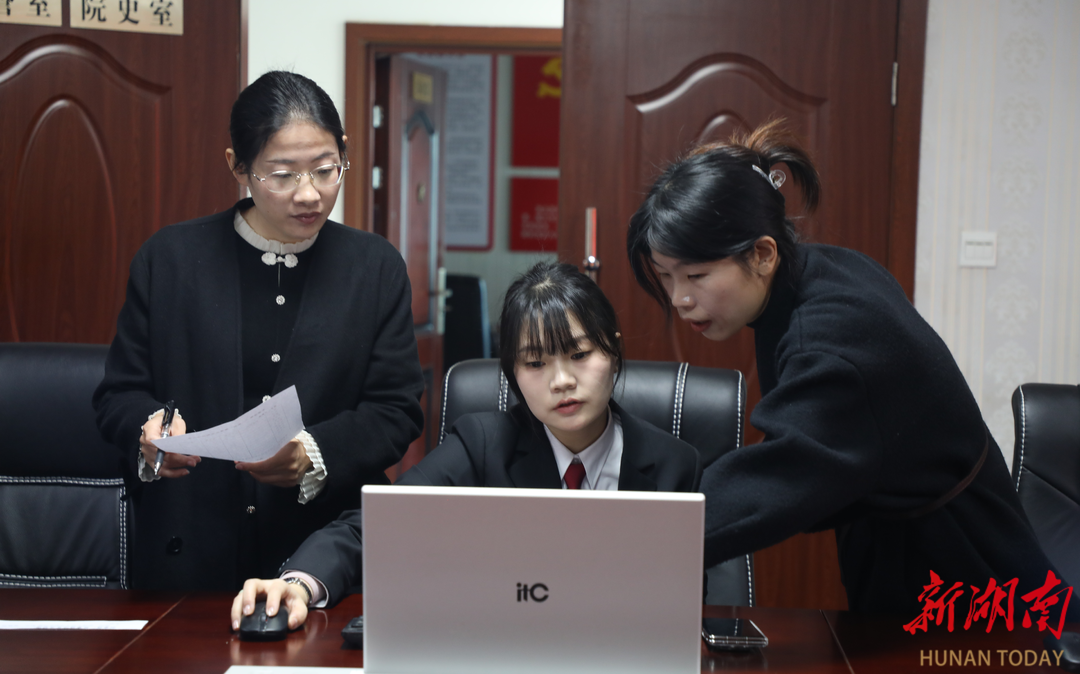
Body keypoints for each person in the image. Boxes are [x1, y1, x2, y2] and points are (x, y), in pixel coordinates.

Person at [625, 120, 1069, 616]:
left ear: (763, 254)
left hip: (962, 574)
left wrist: (635, 543)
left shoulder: (832, 342)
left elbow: (778, 477)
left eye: (696, 275)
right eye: (667, 277)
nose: (680, 299)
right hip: (913, 545)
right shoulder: (820, 270)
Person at [229, 261, 702, 631]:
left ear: (613, 351)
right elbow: (376, 525)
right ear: (512, 374)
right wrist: (298, 583)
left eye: (580, 355)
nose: (562, 381)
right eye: (535, 363)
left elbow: (689, 600)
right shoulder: (483, 444)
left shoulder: (674, 466)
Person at [93, 71, 425, 590]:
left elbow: (396, 409)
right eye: (282, 175)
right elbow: (118, 394)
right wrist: (150, 428)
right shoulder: (170, 259)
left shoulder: (374, 267)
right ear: (238, 166)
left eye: (326, 169)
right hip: (188, 546)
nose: (309, 194)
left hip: (322, 553)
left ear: (344, 152)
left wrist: (314, 452)